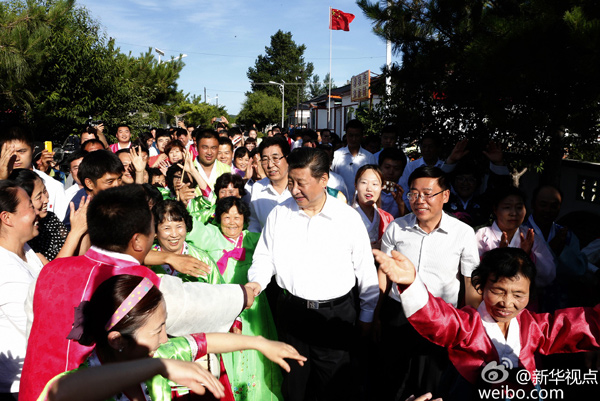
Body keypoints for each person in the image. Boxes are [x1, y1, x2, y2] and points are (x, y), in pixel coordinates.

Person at [20, 185, 254, 401]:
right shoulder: (137, 281)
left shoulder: (51, 270)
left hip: (39, 390)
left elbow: (32, 330)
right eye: (154, 230)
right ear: (138, 241)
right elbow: (191, 304)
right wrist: (242, 295)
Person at [375, 247, 600, 400]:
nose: (507, 303)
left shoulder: (533, 326)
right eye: (498, 291)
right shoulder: (468, 325)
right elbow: (440, 319)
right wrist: (413, 283)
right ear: (481, 287)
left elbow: (574, 325)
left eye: (519, 295)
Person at [38, 274, 306, 401]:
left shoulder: (155, 353)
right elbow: (58, 392)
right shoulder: (81, 384)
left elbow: (205, 340)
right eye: (157, 330)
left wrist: (258, 342)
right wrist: (157, 366)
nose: (166, 339)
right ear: (117, 340)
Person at [247, 147, 379, 401]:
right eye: (292, 182)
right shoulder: (279, 215)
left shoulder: (347, 219)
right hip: (292, 314)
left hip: (335, 319)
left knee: (335, 388)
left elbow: (365, 271)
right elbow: (264, 257)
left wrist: (367, 316)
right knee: (294, 387)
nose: (294, 190)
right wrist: (256, 283)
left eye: (302, 183)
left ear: (323, 180)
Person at [377, 165, 480, 400]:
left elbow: (470, 283)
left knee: (431, 385)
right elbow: (383, 274)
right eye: (414, 193)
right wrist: (375, 317)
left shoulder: (462, 233)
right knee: (392, 380)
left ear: (445, 196)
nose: (419, 200)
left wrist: (470, 328)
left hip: (439, 318)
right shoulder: (397, 227)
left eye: (427, 193)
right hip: (397, 314)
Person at [188, 196, 284, 401]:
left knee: (256, 349)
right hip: (223, 307)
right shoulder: (211, 236)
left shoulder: (253, 239)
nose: (232, 222)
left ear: (245, 218)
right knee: (227, 349)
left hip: (253, 309)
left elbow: (280, 245)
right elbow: (188, 226)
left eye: (237, 216)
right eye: (226, 216)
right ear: (218, 218)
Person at [0, 181, 44, 397]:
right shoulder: (3, 268)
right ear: (7, 218)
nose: (38, 212)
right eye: (30, 207)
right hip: (19, 386)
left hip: (38, 376)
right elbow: (37, 323)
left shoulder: (26, 249)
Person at [475, 186, 556, 291]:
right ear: (495, 209)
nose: (514, 213)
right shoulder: (482, 236)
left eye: (519, 207)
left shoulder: (531, 238)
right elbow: (473, 272)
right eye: (507, 207)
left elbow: (549, 274)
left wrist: (528, 256)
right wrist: (499, 257)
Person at [9, 169, 89, 261]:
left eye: (45, 191)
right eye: (39, 197)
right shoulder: (21, 234)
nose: (46, 200)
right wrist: (75, 232)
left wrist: (83, 226)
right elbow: (53, 271)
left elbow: (78, 257)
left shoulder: (50, 218)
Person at [0, 127, 69, 221]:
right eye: (9, 152)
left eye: (21, 151)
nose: (16, 158)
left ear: (32, 150)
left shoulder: (53, 186)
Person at [150, 199, 223, 285]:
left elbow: (219, 291)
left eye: (179, 226)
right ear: (155, 231)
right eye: (167, 228)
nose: (174, 234)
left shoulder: (203, 259)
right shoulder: (146, 258)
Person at [247, 136, 291, 233]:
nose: (270, 165)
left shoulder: (299, 188)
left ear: (287, 159)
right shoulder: (257, 188)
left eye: (275, 158)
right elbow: (254, 222)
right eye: (265, 159)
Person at [331, 119, 377, 196]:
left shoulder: (369, 157)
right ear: (346, 135)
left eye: (357, 135)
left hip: (362, 202)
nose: (354, 139)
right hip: (340, 201)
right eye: (351, 135)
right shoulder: (336, 155)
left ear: (362, 136)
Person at [398, 133, 445, 210]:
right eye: (424, 146)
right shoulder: (411, 166)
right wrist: (412, 210)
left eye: (430, 147)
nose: (427, 150)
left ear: (437, 148)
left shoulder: (443, 167)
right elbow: (404, 190)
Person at [352, 165, 394, 249]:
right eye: (364, 182)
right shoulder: (345, 216)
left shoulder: (387, 218)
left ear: (381, 187)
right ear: (356, 185)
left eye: (375, 184)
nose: (369, 188)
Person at [193, 129, 231, 200]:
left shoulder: (226, 169)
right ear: (196, 147)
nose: (209, 152)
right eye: (205, 148)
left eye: (213, 148)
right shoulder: (187, 170)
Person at [378, 147, 408, 218]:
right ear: (380, 167)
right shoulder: (371, 188)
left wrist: (400, 203)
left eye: (396, 169)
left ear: (402, 171)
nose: (391, 172)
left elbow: (408, 220)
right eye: (387, 167)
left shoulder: (405, 192)